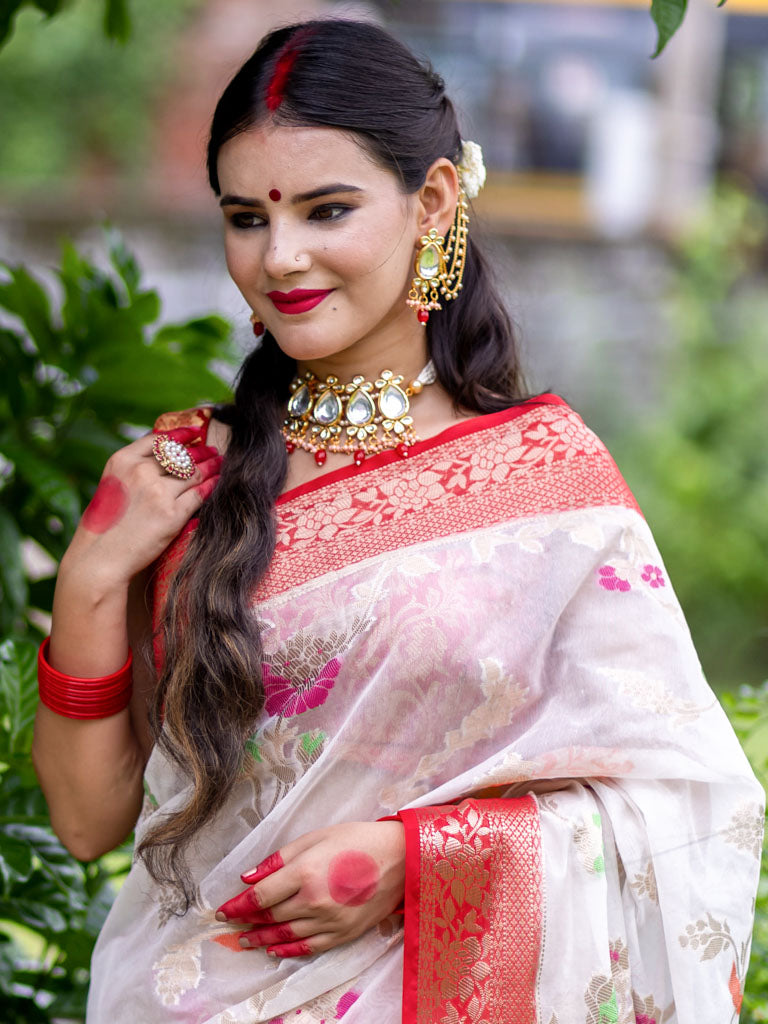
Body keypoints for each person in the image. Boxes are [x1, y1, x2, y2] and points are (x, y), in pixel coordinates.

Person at [32, 18, 763, 1024]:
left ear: (433, 202)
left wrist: (416, 861)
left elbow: (690, 808)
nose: (280, 257)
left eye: (327, 210)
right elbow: (85, 818)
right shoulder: (187, 478)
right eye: (246, 217)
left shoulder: (545, 479)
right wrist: (92, 576)